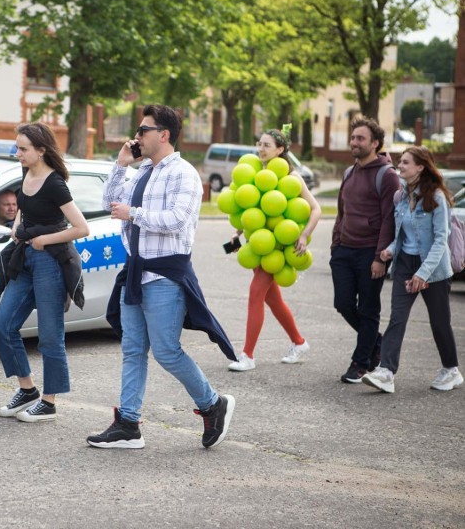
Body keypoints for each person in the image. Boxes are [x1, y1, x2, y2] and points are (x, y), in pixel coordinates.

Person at [87, 105, 236, 450]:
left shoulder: (183, 173)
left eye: (143, 130)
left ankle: (213, 404)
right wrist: (121, 165)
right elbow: (111, 202)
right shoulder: (141, 172)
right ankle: (127, 423)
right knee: (133, 349)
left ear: (163, 134)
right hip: (136, 271)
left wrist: (134, 214)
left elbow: (177, 219)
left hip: (165, 274)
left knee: (167, 351)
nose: (137, 136)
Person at [0, 122, 89, 423]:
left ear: (41, 151)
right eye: (17, 148)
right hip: (26, 258)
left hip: (50, 261)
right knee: (3, 324)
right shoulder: (26, 174)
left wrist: (43, 239)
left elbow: (81, 228)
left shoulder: (55, 183)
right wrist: (17, 226)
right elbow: (24, 206)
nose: (17, 153)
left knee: (50, 335)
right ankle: (27, 389)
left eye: (23, 149)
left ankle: (49, 401)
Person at [362, 147, 462, 393]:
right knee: (397, 317)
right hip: (405, 264)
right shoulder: (400, 197)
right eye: (401, 161)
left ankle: (451, 370)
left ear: (420, 167)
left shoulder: (437, 198)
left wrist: (423, 274)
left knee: (439, 322)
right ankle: (386, 371)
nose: (401, 165)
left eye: (406, 162)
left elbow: (441, 240)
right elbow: (403, 235)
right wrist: (389, 250)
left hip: (433, 269)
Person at [227, 127, 321, 371]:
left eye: (267, 145)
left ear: (280, 150)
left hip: (278, 250)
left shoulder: (292, 178)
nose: (261, 148)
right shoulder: (257, 174)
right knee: (273, 300)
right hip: (259, 246)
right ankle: (299, 343)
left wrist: (304, 235)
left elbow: (316, 209)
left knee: (256, 294)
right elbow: (252, 210)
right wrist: (237, 235)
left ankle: (247, 355)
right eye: (259, 143)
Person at [330, 117, 399, 384]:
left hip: (371, 252)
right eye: (353, 137)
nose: (354, 142)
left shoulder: (387, 175)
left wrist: (380, 257)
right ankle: (375, 341)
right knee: (343, 303)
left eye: (360, 138)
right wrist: (336, 242)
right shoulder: (349, 172)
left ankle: (360, 363)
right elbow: (341, 211)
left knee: (369, 309)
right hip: (344, 251)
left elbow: (389, 219)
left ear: (375, 143)